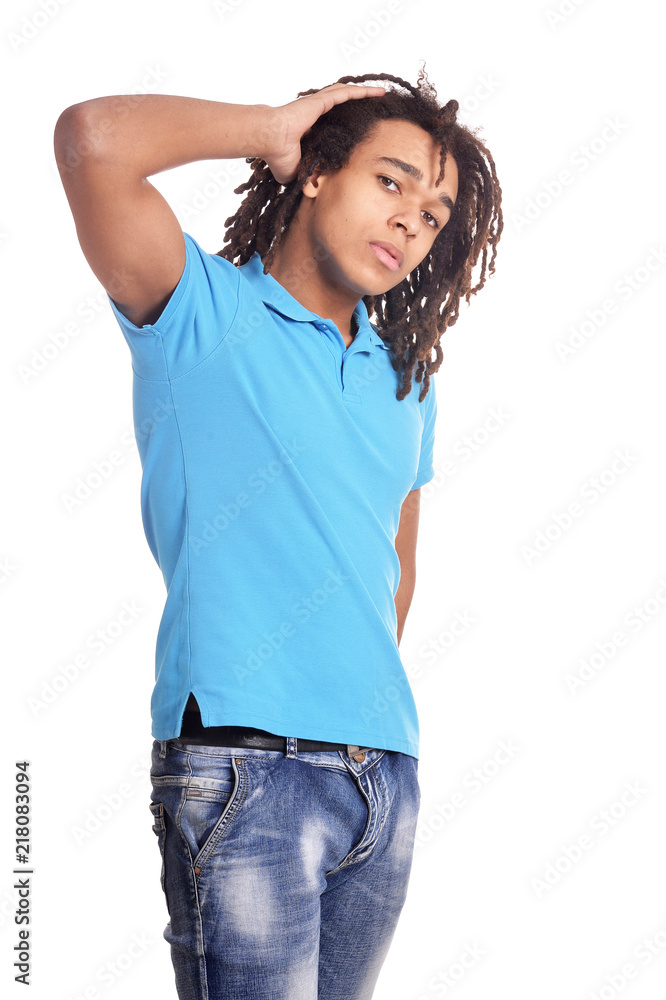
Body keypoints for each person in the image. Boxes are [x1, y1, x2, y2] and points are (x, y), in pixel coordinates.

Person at [53, 66, 502, 1000]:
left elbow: (394, 570)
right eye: (391, 182)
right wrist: (271, 125)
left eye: (432, 215)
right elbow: (94, 140)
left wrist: (367, 727)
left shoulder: (403, 380)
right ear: (314, 173)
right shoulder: (197, 310)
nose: (409, 224)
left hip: (384, 779)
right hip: (245, 765)